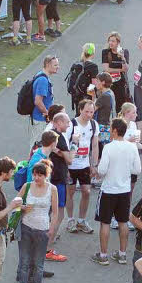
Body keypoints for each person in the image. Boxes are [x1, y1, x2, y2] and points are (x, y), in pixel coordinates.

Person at [93, 119, 141, 266]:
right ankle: (122, 254)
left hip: (108, 189)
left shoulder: (108, 147)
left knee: (105, 222)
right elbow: (137, 170)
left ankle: (103, 255)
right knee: (123, 221)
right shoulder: (132, 147)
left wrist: (97, 171)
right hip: (124, 190)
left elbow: (102, 170)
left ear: (114, 130)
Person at [15, 160, 58, 283]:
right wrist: (22, 207)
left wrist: (52, 229)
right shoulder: (27, 186)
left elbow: (56, 212)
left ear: (46, 175)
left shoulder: (52, 189)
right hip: (26, 227)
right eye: (34, 174)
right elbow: (14, 203)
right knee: (24, 261)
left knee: (39, 263)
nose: (37, 178)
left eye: (40, 175)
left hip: (42, 229)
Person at [64, 100, 99, 235]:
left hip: (85, 165)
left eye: (92, 112)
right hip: (72, 164)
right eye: (87, 112)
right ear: (80, 110)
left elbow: (95, 145)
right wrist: (66, 167)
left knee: (86, 191)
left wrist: (94, 165)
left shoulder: (93, 125)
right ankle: (70, 219)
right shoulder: (71, 125)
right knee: (70, 192)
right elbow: (65, 146)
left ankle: (82, 220)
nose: (89, 115)